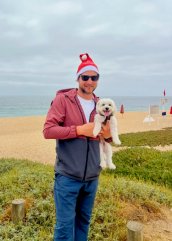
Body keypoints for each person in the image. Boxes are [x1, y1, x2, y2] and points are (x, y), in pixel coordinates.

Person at [43, 53, 112, 241]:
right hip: (68, 177)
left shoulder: (101, 104)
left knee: (83, 223)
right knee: (65, 228)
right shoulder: (63, 100)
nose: (89, 81)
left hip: (92, 177)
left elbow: (107, 136)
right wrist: (80, 130)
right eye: (85, 77)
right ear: (78, 78)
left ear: (98, 79)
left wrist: (108, 135)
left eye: (94, 77)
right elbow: (48, 131)